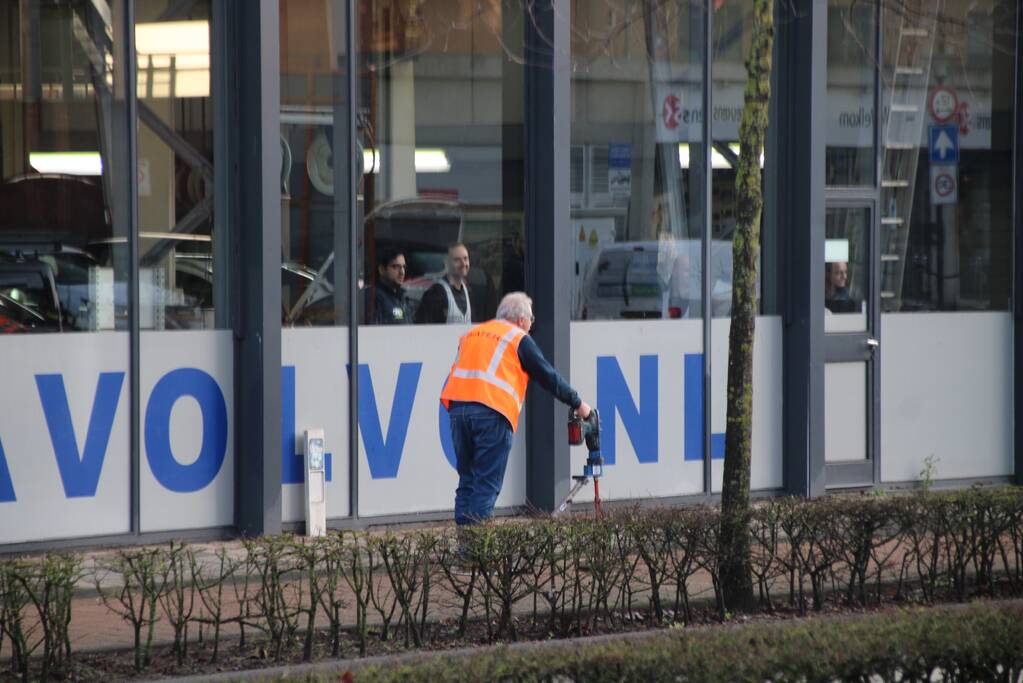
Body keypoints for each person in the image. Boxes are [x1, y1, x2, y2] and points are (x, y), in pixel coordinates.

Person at [441, 292, 592, 526]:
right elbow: (548, 377)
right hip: (492, 411)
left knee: (467, 482)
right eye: (531, 320)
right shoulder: (516, 337)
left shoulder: (472, 333)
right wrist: (578, 403)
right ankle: (476, 555)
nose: (531, 326)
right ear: (521, 319)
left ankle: (465, 550)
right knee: (486, 485)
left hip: (457, 411)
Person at [415, 243, 472, 324]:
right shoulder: (436, 294)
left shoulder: (468, 291)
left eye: (466, 258)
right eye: (457, 260)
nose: (463, 264)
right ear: (446, 263)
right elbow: (424, 329)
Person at [365, 247, 413, 324]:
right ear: (382, 270)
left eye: (404, 267)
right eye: (396, 267)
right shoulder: (373, 297)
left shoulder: (403, 298)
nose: (402, 272)